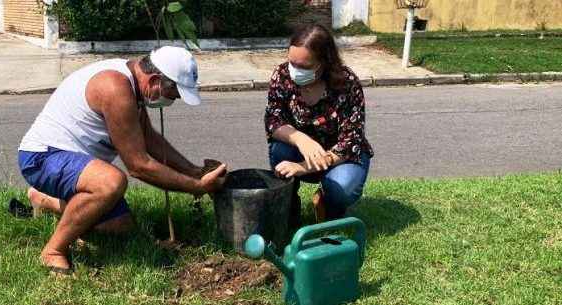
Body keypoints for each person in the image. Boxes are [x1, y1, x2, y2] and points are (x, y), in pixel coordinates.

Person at [18, 46, 227, 274]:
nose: (173, 99)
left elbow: (147, 138)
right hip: (43, 157)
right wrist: (195, 187)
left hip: (73, 164)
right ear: (155, 80)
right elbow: (138, 166)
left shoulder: (133, 84)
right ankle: (54, 251)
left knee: (120, 227)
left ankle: (44, 199)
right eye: (173, 93)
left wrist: (193, 170)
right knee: (111, 183)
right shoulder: (115, 87)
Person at [264, 24, 374, 222]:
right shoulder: (282, 75)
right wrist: (300, 139)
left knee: (343, 187)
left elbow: (351, 142)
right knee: (280, 149)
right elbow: (273, 119)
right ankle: (288, 203)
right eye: (292, 63)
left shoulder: (347, 83)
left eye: (304, 67)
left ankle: (329, 205)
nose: (294, 71)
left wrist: (303, 167)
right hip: (300, 151)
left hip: (340, 157)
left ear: (324, 62)